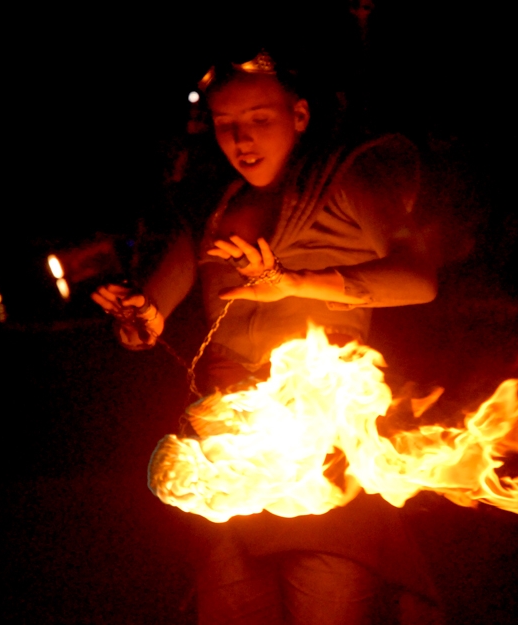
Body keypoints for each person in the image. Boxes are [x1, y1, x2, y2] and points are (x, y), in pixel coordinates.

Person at [93, 49, 442, 624]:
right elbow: (151, 315)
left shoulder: (345, 181)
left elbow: (418, 280)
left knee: (326, 602)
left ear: (299, 115)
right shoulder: (215, 207)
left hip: (320, 440)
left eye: (259, 118)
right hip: (229, 444)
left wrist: (292, 282)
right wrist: (138, 320)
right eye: (225, 123)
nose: (241, 138)